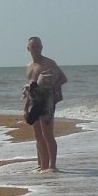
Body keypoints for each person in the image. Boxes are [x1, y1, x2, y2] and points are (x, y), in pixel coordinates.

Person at [23, 36, 68, 172]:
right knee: (38, 135)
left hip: (46, 102)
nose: (36, 48)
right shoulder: (29, 66)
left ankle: (52, 166)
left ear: (42, 48)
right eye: (33, 46)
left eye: (38, 46)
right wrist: (25, 109)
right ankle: (42, 164)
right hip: (33, 102)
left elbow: (63, 79)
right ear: (28, 48)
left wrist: (50, 90)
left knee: (47, 134)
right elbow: (30, 89)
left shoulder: (49, 63)